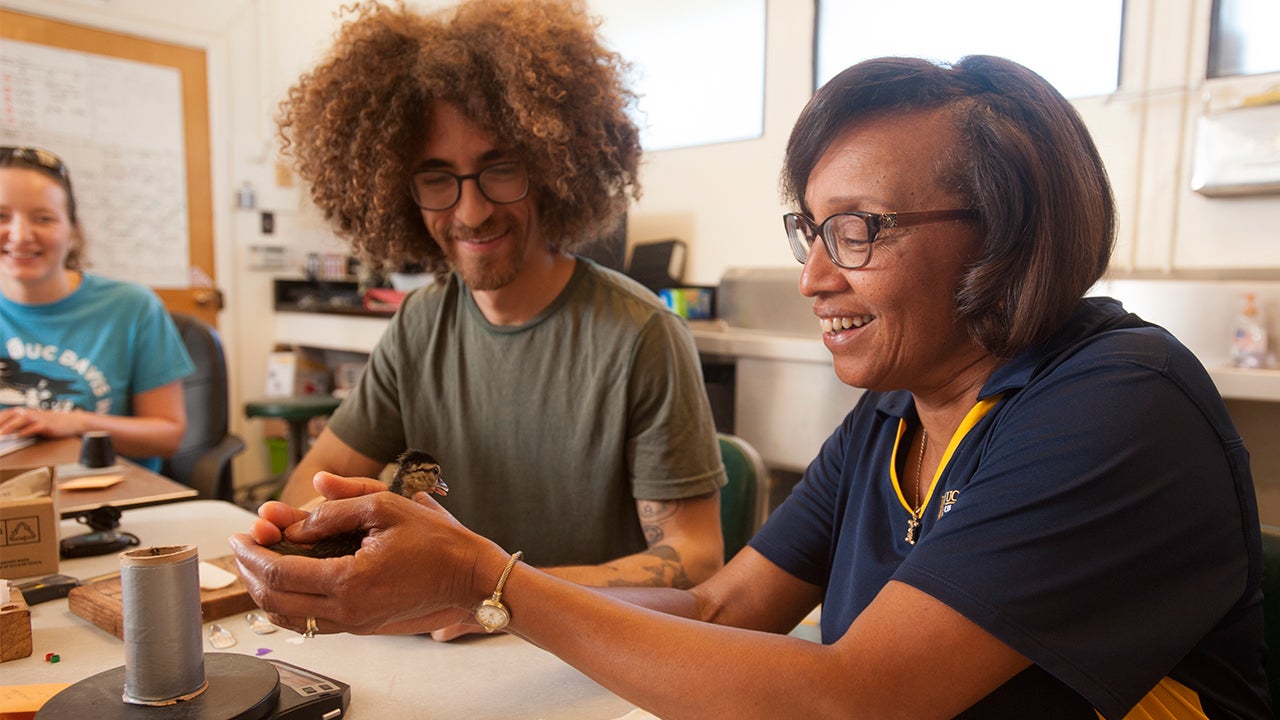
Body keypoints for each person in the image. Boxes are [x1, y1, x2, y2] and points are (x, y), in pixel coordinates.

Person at [233, 53, 1271, 718]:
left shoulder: (1114, 404)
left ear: (1007, 234)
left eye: (858, 230)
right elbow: (725, 604)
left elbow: (858, 700)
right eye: (811, 231)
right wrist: (488, 597)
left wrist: (489, 585)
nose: (817, 275)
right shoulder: (893, 416)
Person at [264, 0, 727, 637]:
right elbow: (302, 490)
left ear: (554, 167)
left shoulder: (642, 336)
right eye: (437, 178)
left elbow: (697, 557)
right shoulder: (418, 326)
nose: (473, 210)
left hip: (587, 663)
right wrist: (313, 528)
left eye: (499, 168)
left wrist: (492, 593)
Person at [0, 146, 193, 472]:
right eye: (2, 216)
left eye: (43, 218)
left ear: (73, 232)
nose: (20, 236)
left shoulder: (132, 308)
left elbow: (168, 434)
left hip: (111, 497)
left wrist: (76, 422)